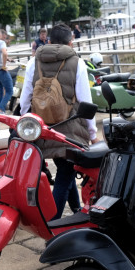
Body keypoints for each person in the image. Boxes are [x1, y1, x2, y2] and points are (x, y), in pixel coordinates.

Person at [20, 23, 98, 219]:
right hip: (70, 127)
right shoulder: (77, 63)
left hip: (43, 127)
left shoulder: (33, 62)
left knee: (65, 168)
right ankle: (52, 223)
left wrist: (26, 124)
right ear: (70, 42)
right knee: (65, 174)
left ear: (48, 40)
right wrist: (93, 134)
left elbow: (25, 99)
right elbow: (85, 100)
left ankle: (76, 210)